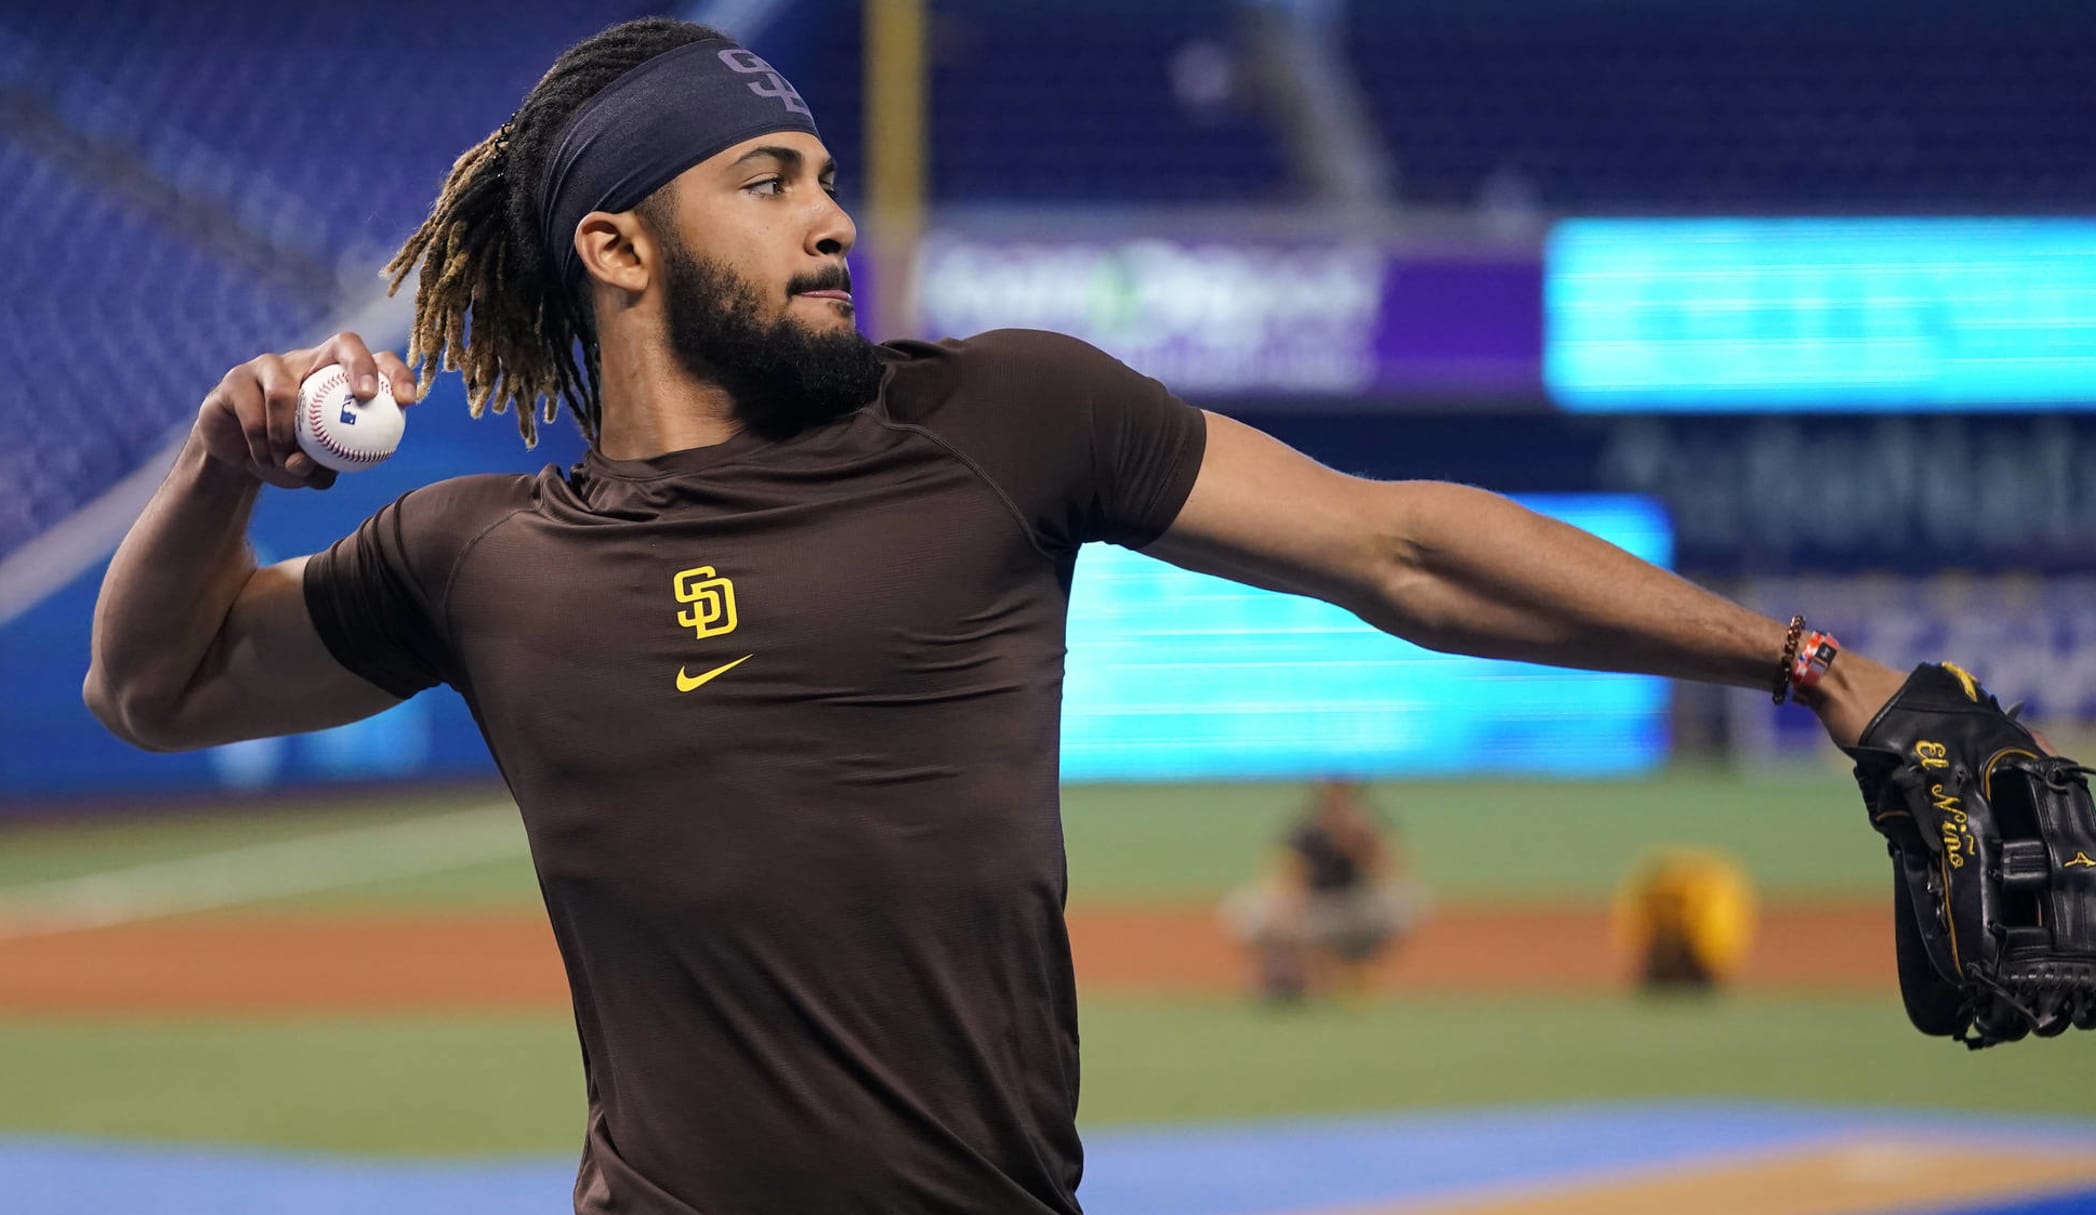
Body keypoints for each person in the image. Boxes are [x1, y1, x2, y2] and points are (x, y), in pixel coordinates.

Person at [82, 18, 1908, 1214]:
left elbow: (1402, 549)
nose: (829, 218)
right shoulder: (481, 554)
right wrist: (221, 456)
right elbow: (150, 687)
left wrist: (1804, 662)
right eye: (766, 180)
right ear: (617, 247)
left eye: (822, 175)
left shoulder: (996, 421)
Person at [1224, 779, 1422, 1002]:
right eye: (1332, 800)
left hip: (1354, 908)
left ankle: (1357, 968)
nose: (1338, 805)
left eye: (1344, 798)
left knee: (1406, 902)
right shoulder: (1306, 834)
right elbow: (1286, 881)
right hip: (1314, 908)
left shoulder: (1367, 832)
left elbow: (1392, 876)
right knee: (1245, 911)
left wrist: (1362, 845)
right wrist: (1288, 915)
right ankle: (1290, 972)